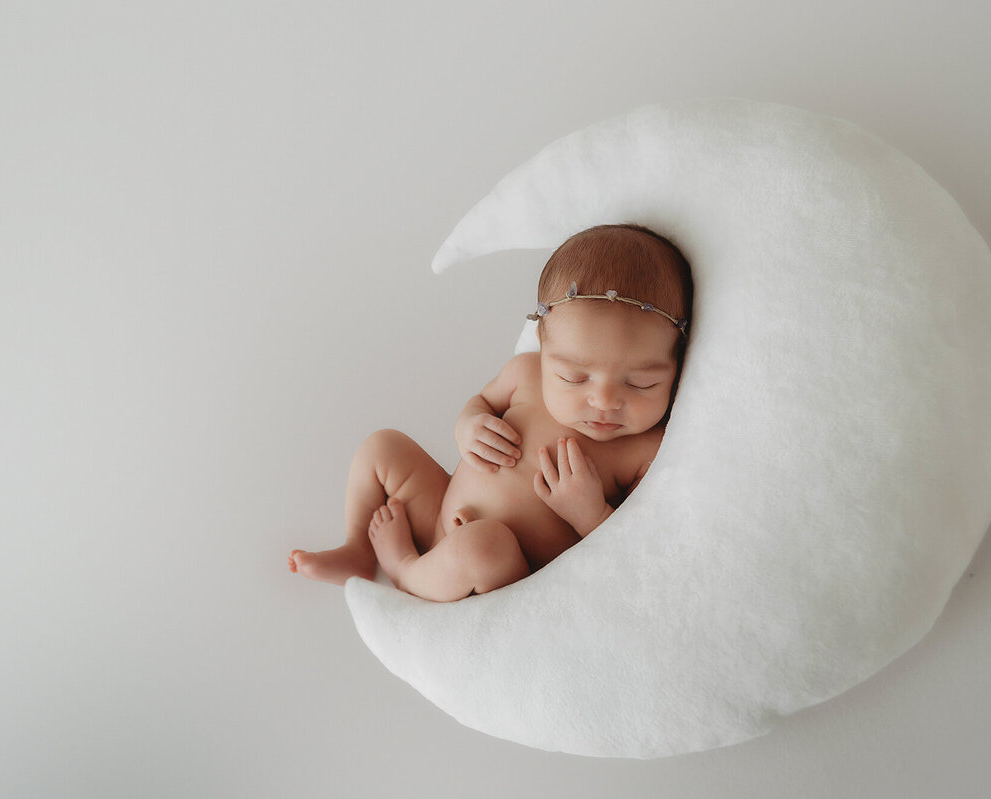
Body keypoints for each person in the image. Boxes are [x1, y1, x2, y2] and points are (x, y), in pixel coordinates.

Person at [288, 223, 693, 601]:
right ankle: (358, 548)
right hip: (441, 508)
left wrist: (591, 514)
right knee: (383, 446)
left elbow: (634, 551)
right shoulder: (525, 374)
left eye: (641, 384)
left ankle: (404, 567)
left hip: (500, 566)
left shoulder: (647, 450)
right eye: (573, 377)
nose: (604, 401)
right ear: (543, 346)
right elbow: (479, 403)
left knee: (484, 547)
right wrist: (469, 426)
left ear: (676, 366)